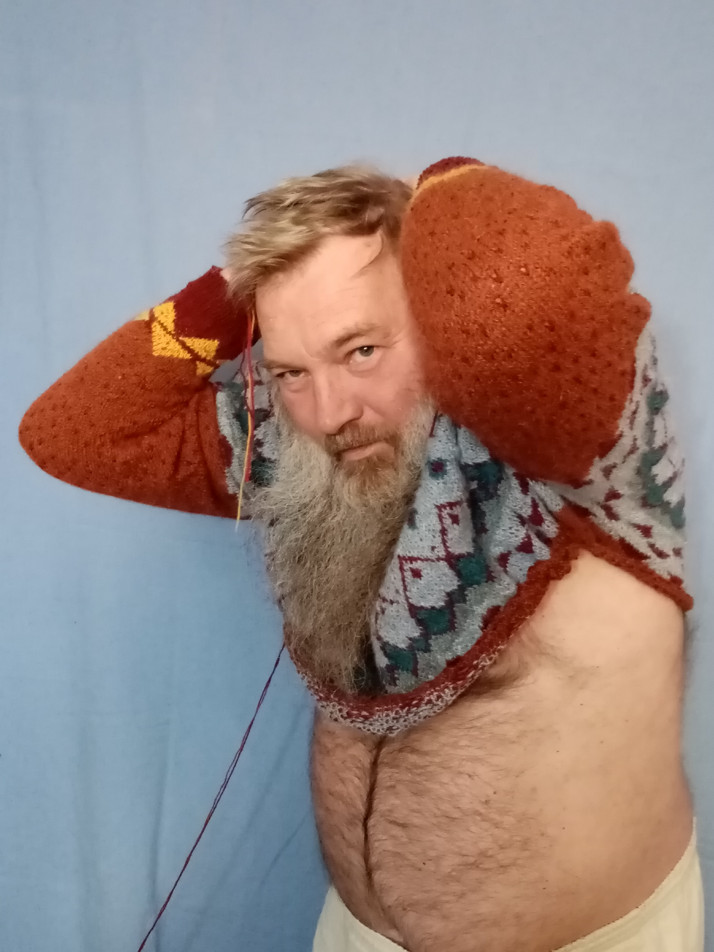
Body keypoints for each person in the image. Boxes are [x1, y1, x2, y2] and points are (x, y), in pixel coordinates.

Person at [19, 156, 703, 952]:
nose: (330, 413)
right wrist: (240, 287)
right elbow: (73, 433)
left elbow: (523, 302)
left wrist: (435, 188)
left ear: (439, 318)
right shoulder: (293, 449)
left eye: (362, 351)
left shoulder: (579, 456)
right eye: (290, 370)